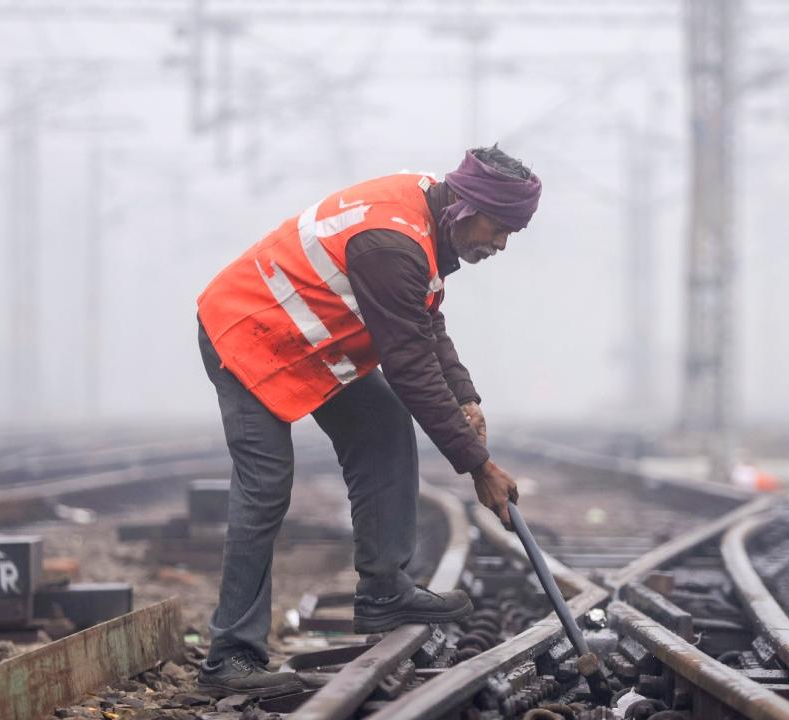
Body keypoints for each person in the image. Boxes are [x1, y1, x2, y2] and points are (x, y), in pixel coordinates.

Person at [193, 145, 541, 698]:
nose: (500, 244)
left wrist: (466, 396)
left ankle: (384, 590)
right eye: (499, 229)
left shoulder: (426, 214)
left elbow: (425, 319)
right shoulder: (392, 242)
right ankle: (230, 657)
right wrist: (479, 466)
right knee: (265, 487)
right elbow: (409, 365)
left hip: (310, 342)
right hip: (248, 334)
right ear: (468, 207)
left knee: (383, 427)